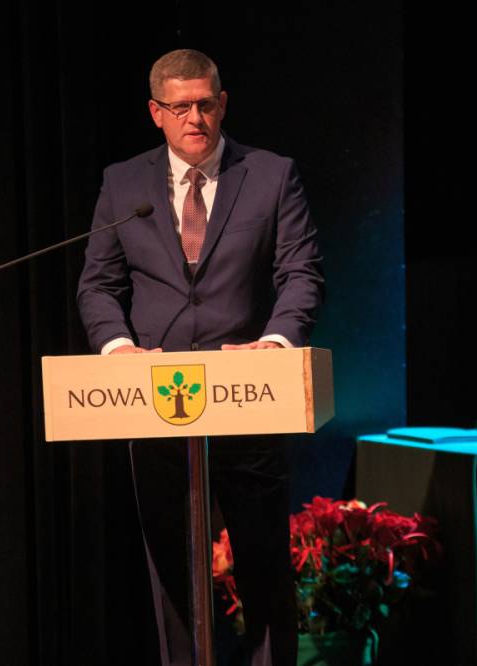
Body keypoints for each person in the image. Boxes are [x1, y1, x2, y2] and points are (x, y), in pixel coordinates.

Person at [76, 49, 324, 666]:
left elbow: (301, 273)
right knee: (172, 576)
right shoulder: (123, 184)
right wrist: (118, 349)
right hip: (155, 402)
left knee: (264, 568)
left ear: (223, 103)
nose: (196, 118)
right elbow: (98, 286)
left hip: (249, 396)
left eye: (206, 104)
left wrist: (274, 344)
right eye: (181, 107)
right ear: (155, 112)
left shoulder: (270, 175)